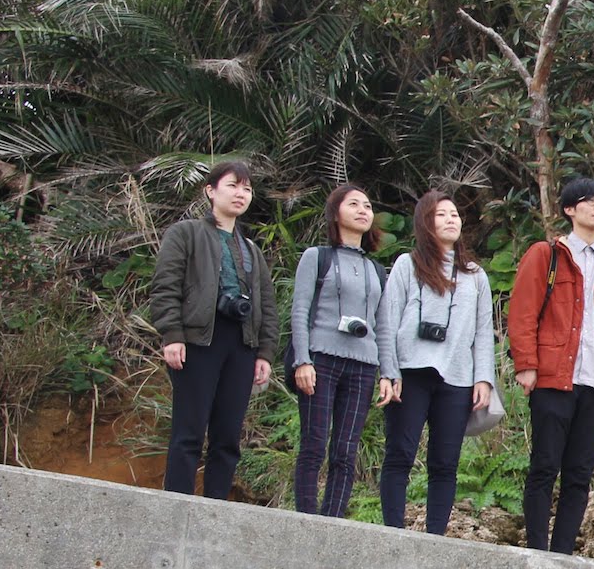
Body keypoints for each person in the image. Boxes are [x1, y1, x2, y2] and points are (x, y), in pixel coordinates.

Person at [507, 177, 594, 554]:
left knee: (579, 474)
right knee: (544, 466)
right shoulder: (547, 254)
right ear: (569, 209)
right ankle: (536, 550)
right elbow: (522, 311)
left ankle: (562, 554)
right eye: (590, 201)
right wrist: (527, 364)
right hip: (553, 377)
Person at [149, 159, 278, 500]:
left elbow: (266, 305)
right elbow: (166, 286)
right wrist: (172, 335)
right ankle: (175, 503)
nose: (241, 194)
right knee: (188, 431)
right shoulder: (186, 233)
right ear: (210, 190)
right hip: (198, 340)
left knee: (228, 436)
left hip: (241, 344)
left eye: (247, 188)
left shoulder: (251, 249)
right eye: (233, 185)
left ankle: (216, 508)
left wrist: (264, 352)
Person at [377, 191, 495, 534]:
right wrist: (389, 370)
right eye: (441, 214)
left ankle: (435, 537)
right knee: (400, 454)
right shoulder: (407, 264)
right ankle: (392, 531)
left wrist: (483, 378)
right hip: (410, 372)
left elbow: (484, 331)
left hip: (457, 378)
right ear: (425, 223)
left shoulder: (476, 276)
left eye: (455, 214)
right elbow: (387, 320)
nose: (451, 219)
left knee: (445, 463)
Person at [289, 184, 386, 517]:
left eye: (368, 205)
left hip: (363, 365)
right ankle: (306, 516)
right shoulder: (317, 257)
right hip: (321, 359)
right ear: (336, 213)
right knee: (314, 444)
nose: (363, 210)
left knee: (345, 450)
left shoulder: (377, 270)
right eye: (354, 204)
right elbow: (300, 310)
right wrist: (302, 360)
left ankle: (332, 521)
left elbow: (383, 326)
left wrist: (388, 372)